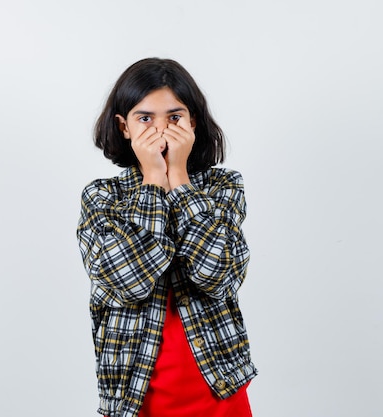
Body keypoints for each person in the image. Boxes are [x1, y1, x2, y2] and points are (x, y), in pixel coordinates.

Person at [76, 58, 257, 417]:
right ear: (123, 127)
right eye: (145, 118)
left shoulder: (223, 187)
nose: (161, 131)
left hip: (219, 387)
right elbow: (126, 282)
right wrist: (154, 182)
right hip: (135, 392)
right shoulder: (101, 197)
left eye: (174, 118)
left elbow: (218, 275)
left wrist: (180, 180)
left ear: (192, 123)